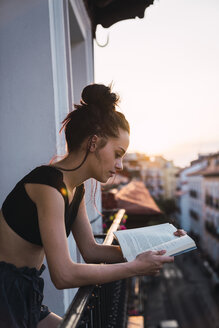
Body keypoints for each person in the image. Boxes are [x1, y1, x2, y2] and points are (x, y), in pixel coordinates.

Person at [0, 84, 185, 328]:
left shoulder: (74, 189)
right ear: (94, 142)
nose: (120, 165)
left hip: (26, 297)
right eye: (118, 153)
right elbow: (64, 274)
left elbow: (91, 251)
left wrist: (159, 245)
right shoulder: (49, 185)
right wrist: (133, 268)